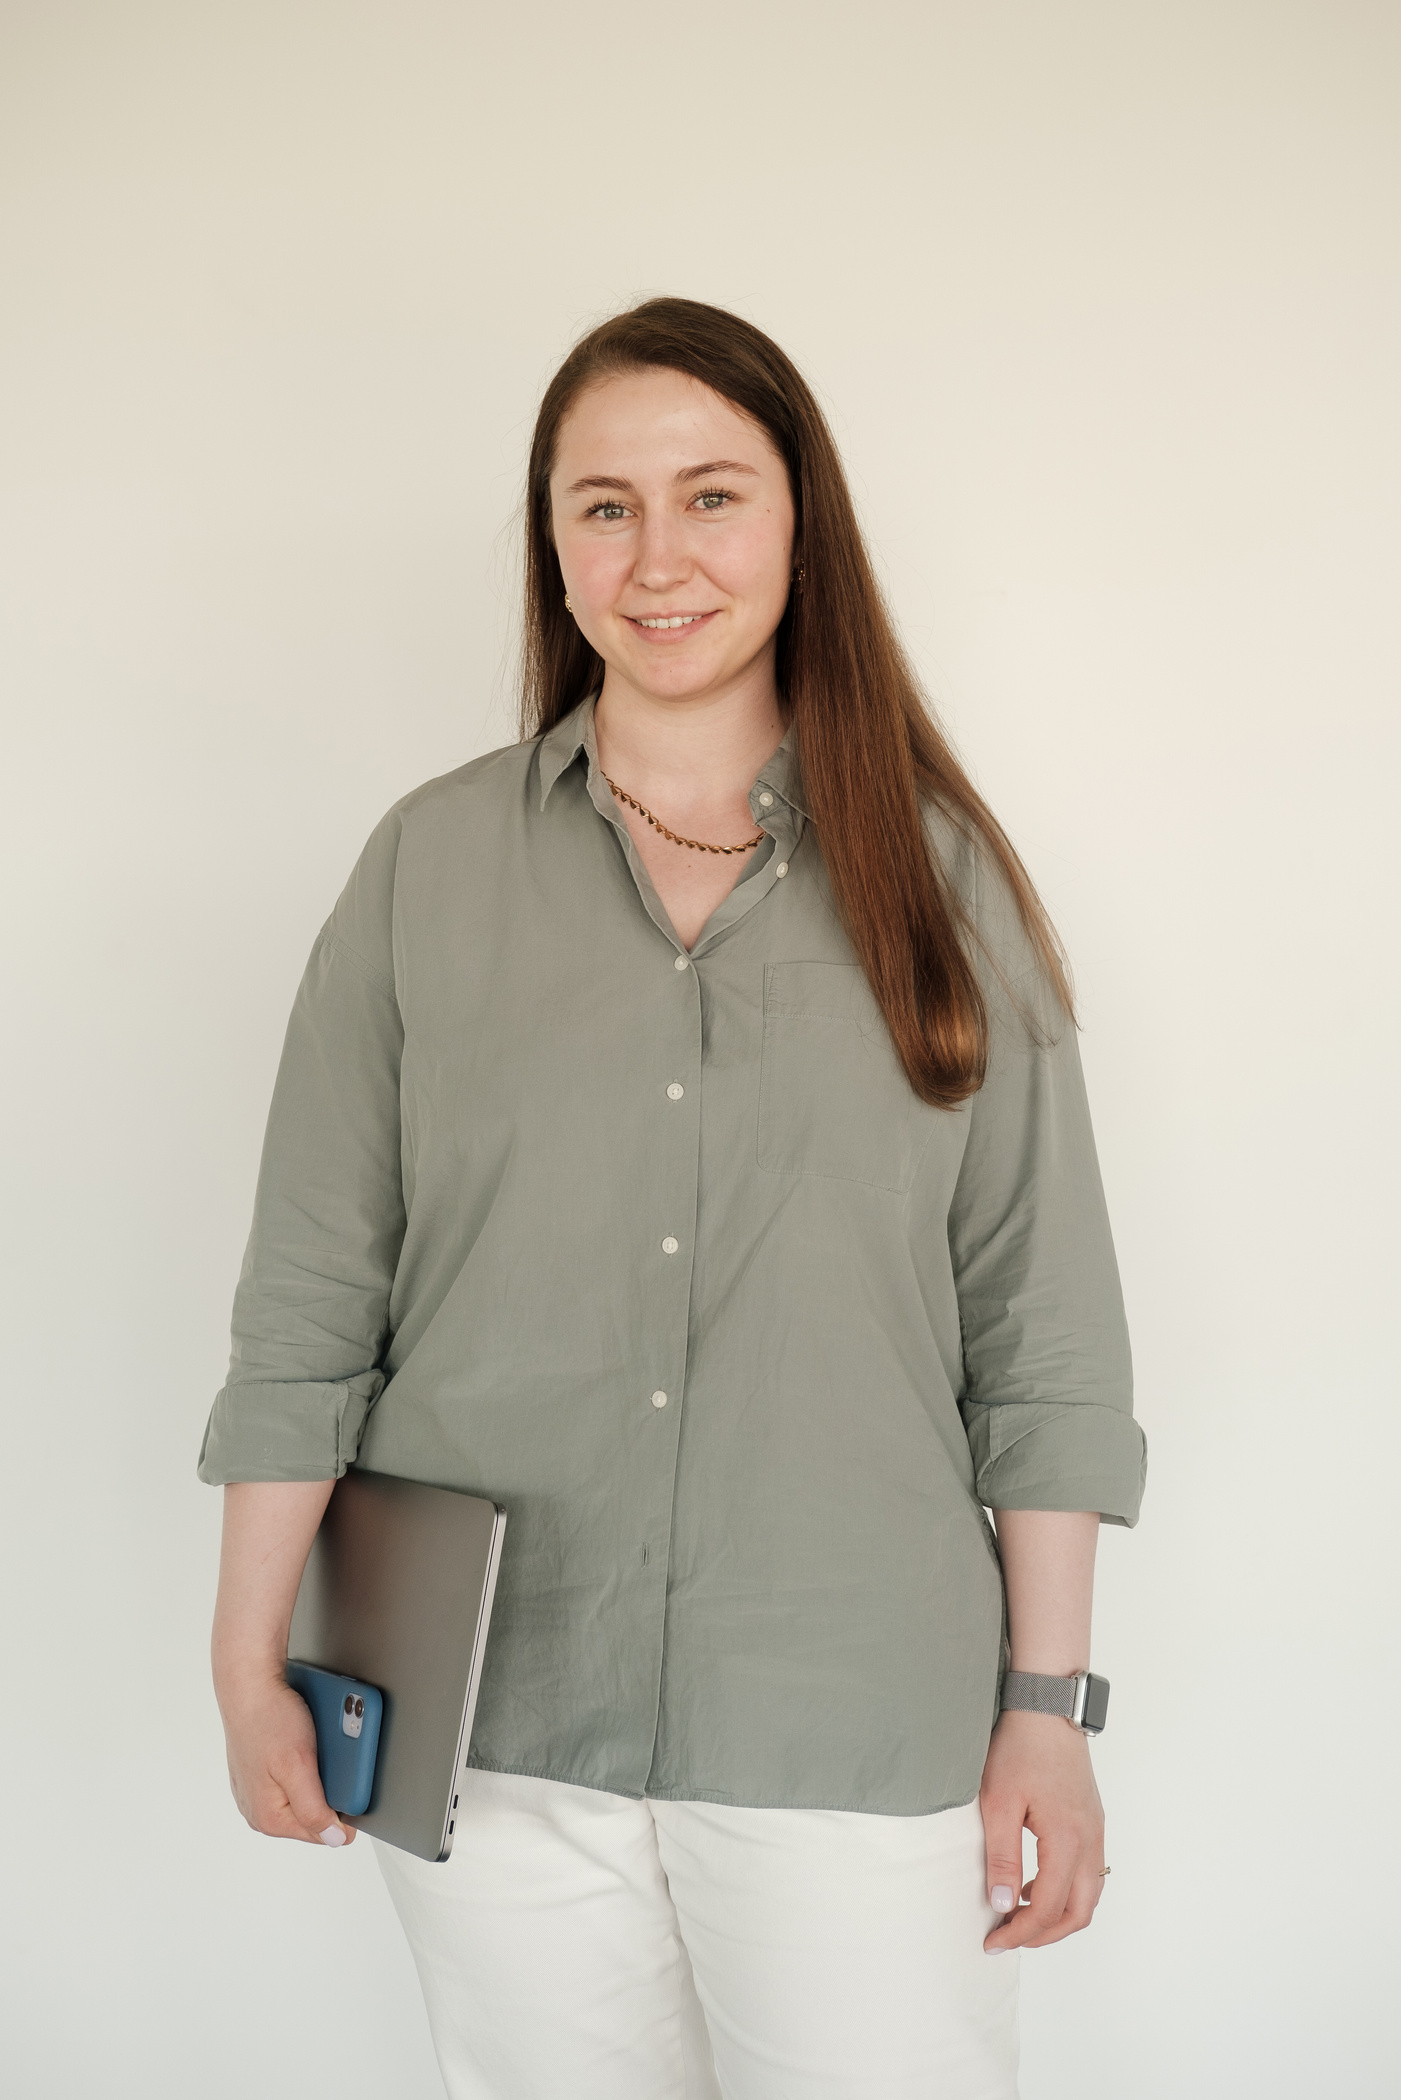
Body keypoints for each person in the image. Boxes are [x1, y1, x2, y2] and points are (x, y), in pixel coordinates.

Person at [202, 296, 1145, 2100]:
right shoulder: (427, 866)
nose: (658, 559)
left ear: (803, 524)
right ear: (553, 550)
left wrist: (1047, 1713)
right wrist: (248, 1659)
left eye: (712, 496)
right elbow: (311, 1296)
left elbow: (1043, 1341)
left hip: (852, 1723)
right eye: (602, 507)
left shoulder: (948, 892)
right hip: (490, 1722)